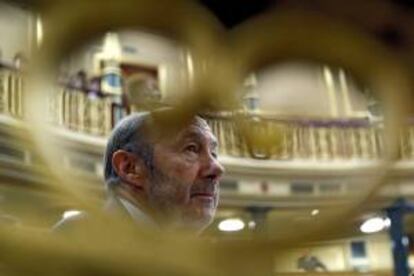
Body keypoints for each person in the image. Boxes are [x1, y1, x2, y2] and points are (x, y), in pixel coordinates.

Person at [54, 110, 224, 234]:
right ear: (130, 168)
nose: (217, 168)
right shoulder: (82, 235)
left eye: (214, 154)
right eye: (191, 149)